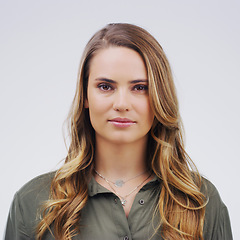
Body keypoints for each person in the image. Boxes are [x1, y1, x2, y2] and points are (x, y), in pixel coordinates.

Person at [4, 23, 233, 240]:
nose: (122, 103)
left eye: (140, 88)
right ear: (85, 95)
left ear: (160, 96)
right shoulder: (34, 202)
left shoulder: (201, 201)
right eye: (106, 86)